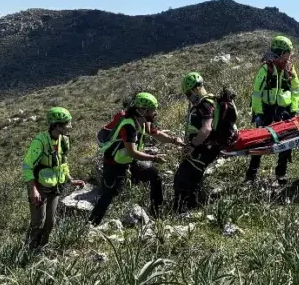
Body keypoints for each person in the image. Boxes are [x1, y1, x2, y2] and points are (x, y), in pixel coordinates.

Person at [89, 92, 182, 225]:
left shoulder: (142, 121)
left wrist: (174, 140)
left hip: (129, 161)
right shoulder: (129, 125)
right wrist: (154, 158)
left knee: (155, 177)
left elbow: (155, 133)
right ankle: (91, 224)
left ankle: (157, 214)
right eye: (152, 110)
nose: (154, 113)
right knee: (108, 195)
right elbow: (132, 152)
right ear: (143, 110)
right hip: (114, 164)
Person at [22, 107, 86, 252]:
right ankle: (28, 251)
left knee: (50, 222)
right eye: (68, 123)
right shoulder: (40, 142)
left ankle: (42, 249)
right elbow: (27, 166)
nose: (70, 126)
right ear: (57, 126)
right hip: (39, 187)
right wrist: (33, 190)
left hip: (55, 187)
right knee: (38, 222)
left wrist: (70, 179)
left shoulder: (64, 140)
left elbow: (62, 163)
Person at [172, 72, 238, 212]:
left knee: (183, 178)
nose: (188, 98)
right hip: (208, 146)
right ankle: (190, 208)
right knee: (191, 177)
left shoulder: (204, 104)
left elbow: (207, 128)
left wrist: (192, 146)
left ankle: (185, 210)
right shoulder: (212, 100)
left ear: (195, 89)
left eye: (188, 94)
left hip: (204, 147)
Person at [245, 35, 299, 185]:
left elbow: (296, 90)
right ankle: (251, 175)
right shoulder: (266, 69)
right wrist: (258, 113)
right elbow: (256, 93)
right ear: (281, 52)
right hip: (266, 111)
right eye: (288, 52)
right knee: (260, 142)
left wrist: (294, 110)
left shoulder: (290, 69)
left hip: (284, 110)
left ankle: (281, 174)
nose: (290, 55)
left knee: (288, 140)